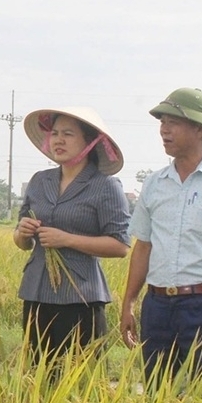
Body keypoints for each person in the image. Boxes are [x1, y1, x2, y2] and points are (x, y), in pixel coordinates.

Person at [120, 88, 202, 388]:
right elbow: (143, 247)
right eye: (162, 122)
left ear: (200, 128)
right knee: (157, 391)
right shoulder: (155, 184)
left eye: (173, 122)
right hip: (157, 306)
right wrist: (129, 304)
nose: (164, 130)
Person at [13, 107, 131, 368]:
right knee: (37, 375)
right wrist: (21, 233)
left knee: (79, 378)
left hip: (81, 297)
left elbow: (120, 245)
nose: (59, 140)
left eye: (68, 134)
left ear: (90, 143)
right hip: (37, 292)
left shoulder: (105, 186)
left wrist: (66, 239)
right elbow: (23, 243)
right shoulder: (39, 181)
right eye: (54, 133)